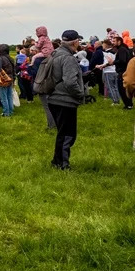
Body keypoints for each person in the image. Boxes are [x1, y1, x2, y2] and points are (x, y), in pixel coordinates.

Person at [47, 30, 85, 170]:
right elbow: (69, 82)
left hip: (53, 98)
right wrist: (80, 93)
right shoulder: (68, 58)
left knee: (62, 133)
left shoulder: (55, 54)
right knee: (68, 134)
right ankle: (62, 164)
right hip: (65, 100)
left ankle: (57, 161)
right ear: (75, 42)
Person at [0, 45, 16, 117]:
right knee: (9, 96)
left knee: (3, 97)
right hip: (11, 78)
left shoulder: (1, 58)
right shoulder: (10, 58)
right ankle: (11, 111)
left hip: (3, 79)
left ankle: (6, 113)